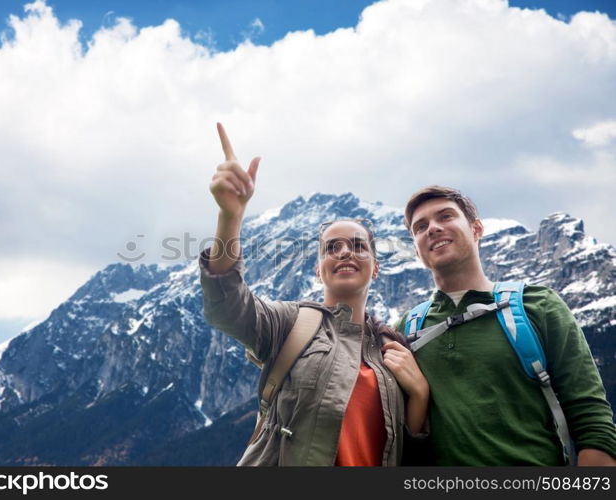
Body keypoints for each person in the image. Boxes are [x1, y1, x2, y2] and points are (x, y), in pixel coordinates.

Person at [199, 123, 428, 466]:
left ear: (376, 267)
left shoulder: (394, 349)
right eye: (331, 248)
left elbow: (411, 454)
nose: (345, 253)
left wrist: (420, 394)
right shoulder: (290, 323)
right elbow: (227, 306)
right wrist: (230, 217)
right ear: (318, 269)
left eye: (358, 246)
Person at [395, 185, 616, 466]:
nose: (433, 228)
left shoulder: (538, 306)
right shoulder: (405, 328)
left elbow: (592, 421)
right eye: (420, 227)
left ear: (476, 230)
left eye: (446, 217)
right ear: (416, 250)